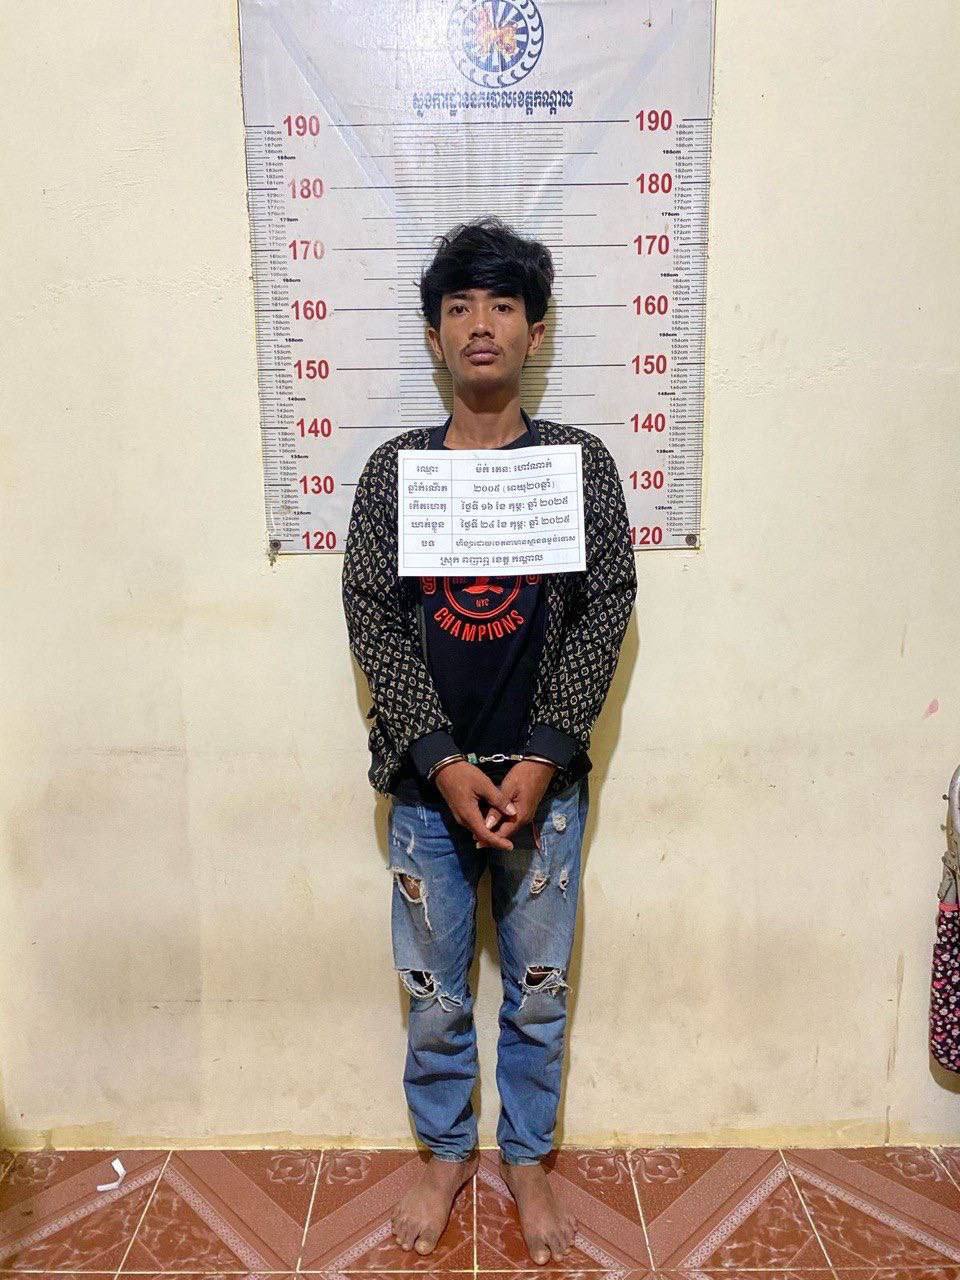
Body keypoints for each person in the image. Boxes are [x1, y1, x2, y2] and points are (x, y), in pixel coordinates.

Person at [341, 216, 637, 1265]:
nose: (481, 325)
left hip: (543, 789)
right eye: (460, 307)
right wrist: (443, 757)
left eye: (503, 306)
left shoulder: (576, 464)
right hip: (431, 788)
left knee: (539, 987)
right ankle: (442, 1152)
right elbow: (372, 612)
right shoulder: (397, 472)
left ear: (535, 331)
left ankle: (529, 1158)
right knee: (432, 991)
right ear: (433, 335)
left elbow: (606, 605)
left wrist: (544, 753)